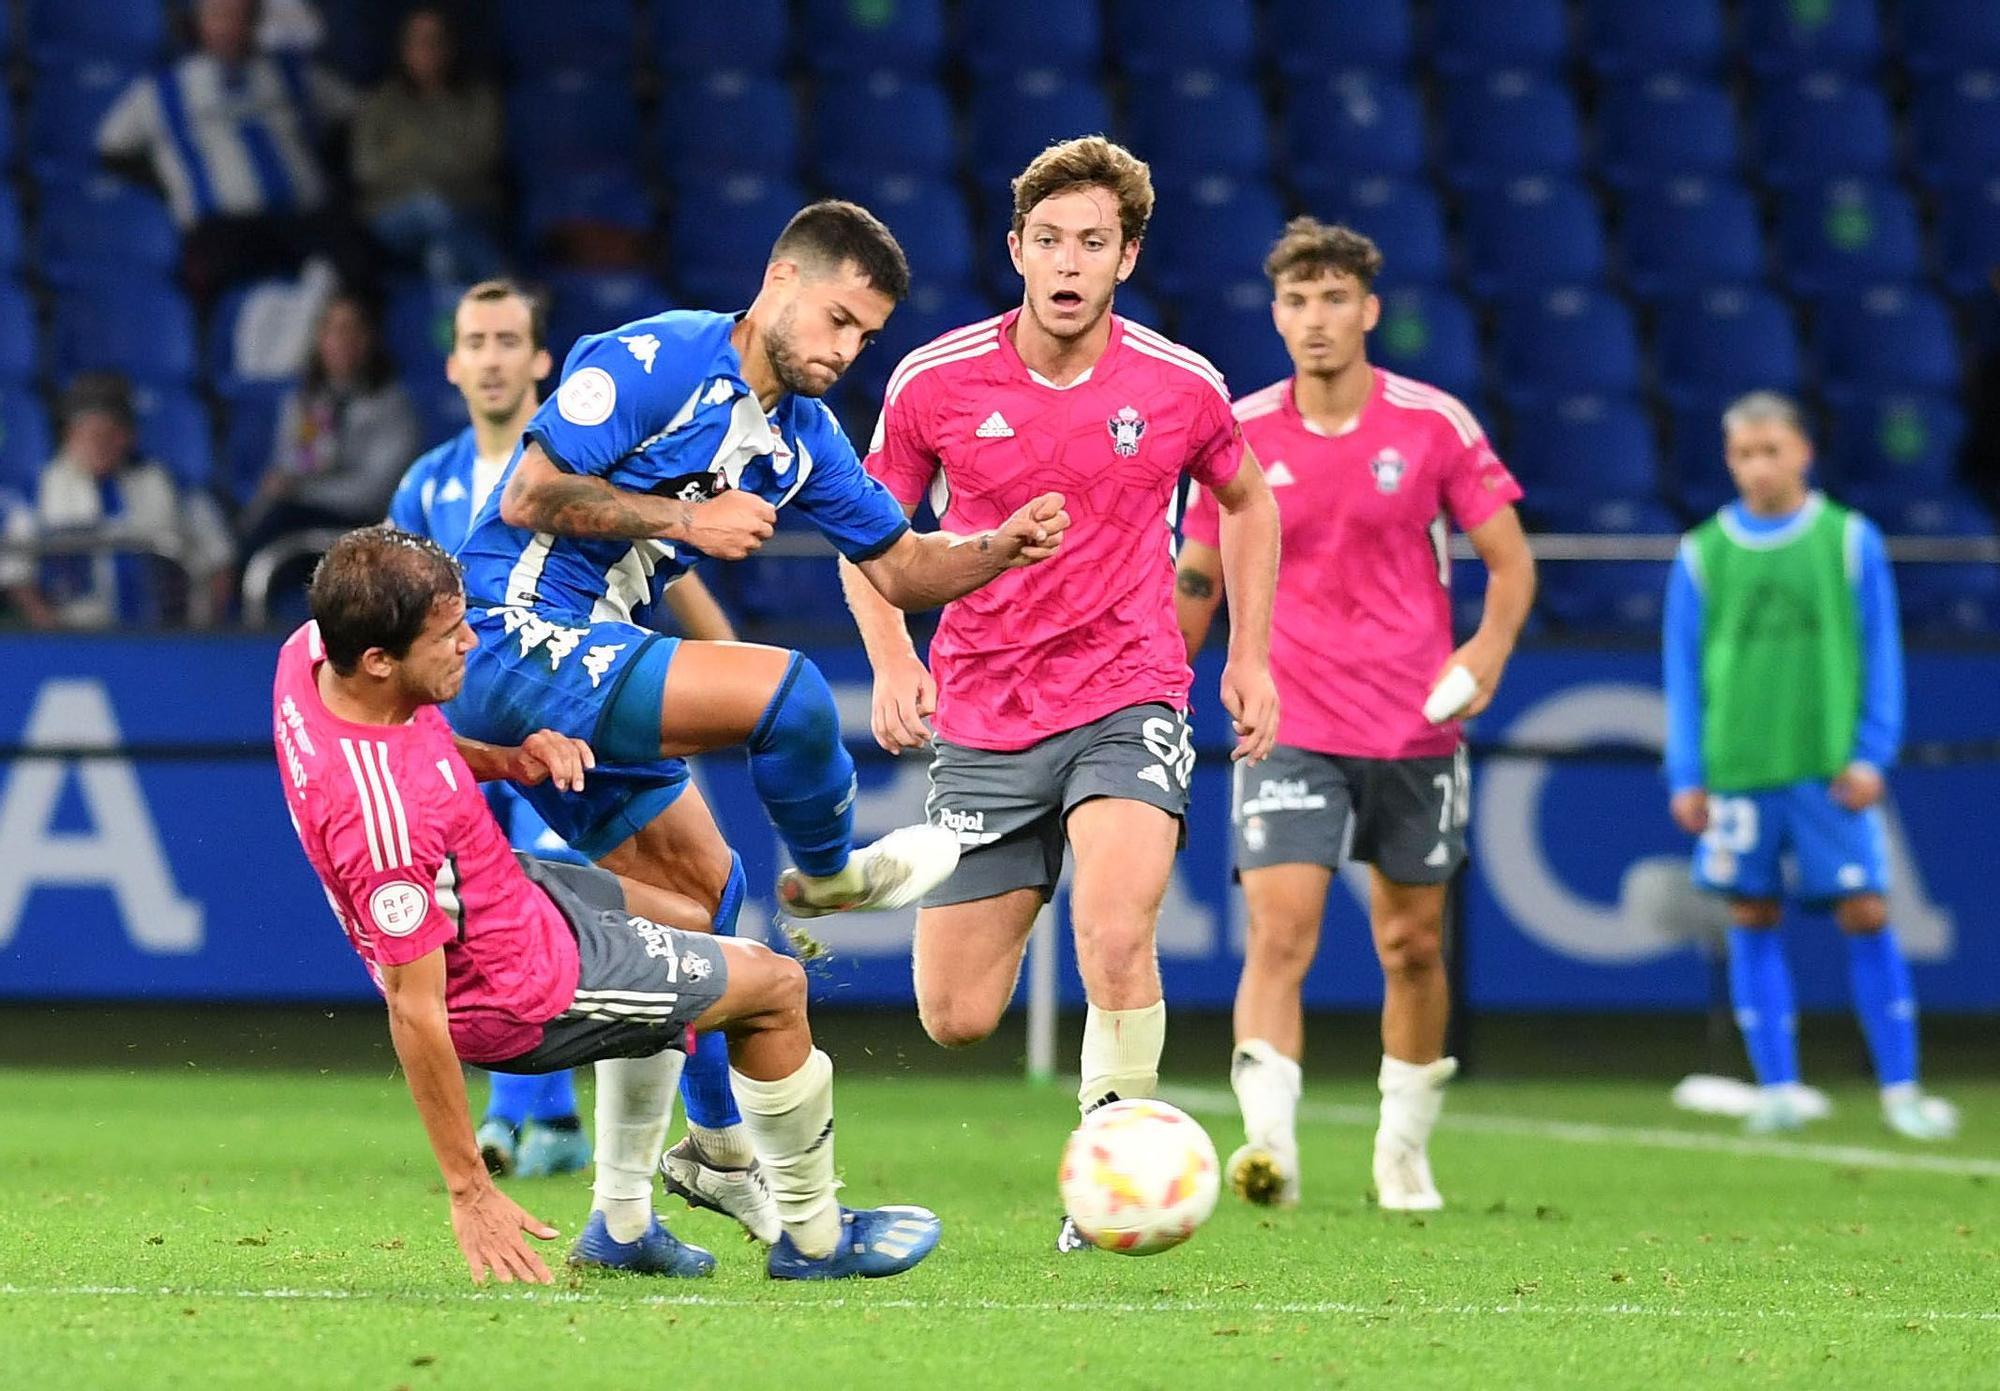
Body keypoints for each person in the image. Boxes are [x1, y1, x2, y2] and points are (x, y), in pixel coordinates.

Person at [448, 199, 1071, 1220]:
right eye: (836, 319)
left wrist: (996, 546)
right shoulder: (657, 356)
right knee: (787, 692)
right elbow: (528, 496)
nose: (845, 348)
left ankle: (672, 1179)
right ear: (780, 281)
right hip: (508, 629)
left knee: (700, 898)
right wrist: (683, 517)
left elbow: (905, 564)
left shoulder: (803, 441)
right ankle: (827, 880)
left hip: (585, 650)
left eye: (864, 335)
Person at [274, 525, 943, 1283]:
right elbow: (415, 1009)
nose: (471, 641)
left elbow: (403, 741)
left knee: (693, 914)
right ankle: (816, 1237)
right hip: (518, 988)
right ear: (378, 660)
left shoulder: (309, 657)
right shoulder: (382, 820)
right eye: (447, 634)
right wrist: (469, 1189)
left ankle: (623, 1222)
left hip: (503, 889)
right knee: (775, 987)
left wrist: (508, 760)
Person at [843, 137, 1282, 1253]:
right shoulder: (934, 381)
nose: (1068, 261)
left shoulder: (1179, 386)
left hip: (1127, 689)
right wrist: (896, 658)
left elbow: (1248, 501)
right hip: (985, 714)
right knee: (954, 1017)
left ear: (1125, 256)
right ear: (1015, 250)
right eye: (1049, 240)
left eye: (1092, 241)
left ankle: (1110, 1153)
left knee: (1114, 923)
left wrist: (1248, 651)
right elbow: (867, 531)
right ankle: (1008, 876)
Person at [1176, 218, 1536, 1213]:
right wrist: (1166, 677)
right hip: (1288, 717)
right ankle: (1268, 1149)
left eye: (1333, 298)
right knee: (1278, 930)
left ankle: (1401, 1151)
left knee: (1410, 945)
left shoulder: (1432, 424)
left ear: (1367, 310)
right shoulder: (1237, 430)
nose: (1314, 318)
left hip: (1414, 721)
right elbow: (1198, 572)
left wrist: (1486, 649)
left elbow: (1510, 561)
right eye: (1295, 300)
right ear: (1276, 313)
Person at [388, 279, 743, 1191]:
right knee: (483, 929)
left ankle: (638, 1123)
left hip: (570, 729)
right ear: (454, 362)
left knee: (593, 910)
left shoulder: (594, 461)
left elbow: (671, 574)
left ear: (542, 360)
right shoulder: (427, 482)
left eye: (512, 338)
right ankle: (544, 1121)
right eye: (478, 340)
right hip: (466, 738)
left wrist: (730, 673)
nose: (496, 356)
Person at [1664, 391, 1957, 1142]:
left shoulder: (1849, 540)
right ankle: (1780, 1087)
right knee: (1750, 914)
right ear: (1729, 460)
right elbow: (1683, 671)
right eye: (1743, 453)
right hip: (1739, 766)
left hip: (1827, 768)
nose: (1758, 466)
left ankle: (1901, 1090)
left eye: (1772, 450)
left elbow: (1880, 652)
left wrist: (1872, 751)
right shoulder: (1703, 552)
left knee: (1867, 910)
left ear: (1803, 452)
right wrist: (1688, 772)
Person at [95, 0, 370, 309]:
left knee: (357, 256)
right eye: (218, 17)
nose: (229, 27)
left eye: (239, 17)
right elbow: (111, 146)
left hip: (303, 217)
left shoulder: (291, 74)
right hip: (223, 225)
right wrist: (166, 184)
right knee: (210, 275)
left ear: (254, 23)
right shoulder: (165, 88)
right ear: (198, 23)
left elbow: (358, 111)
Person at [29, 373, 234, 627]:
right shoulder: (39, 489)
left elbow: (219, 559)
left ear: (129, 436)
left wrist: (199, 630)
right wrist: (49, 630)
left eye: (111, 433)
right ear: (69, 435)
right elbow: (13, 569)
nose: (99, 444)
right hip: (75, 633)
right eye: (89, 433)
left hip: (163, 633)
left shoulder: (169, 484)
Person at [239, 293, 420, 565]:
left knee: (279, 527)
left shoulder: (394, 407)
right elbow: (292, 464)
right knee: (255, 532)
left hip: (361, 525)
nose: (341, 341)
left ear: (369, 339)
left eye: (351, 330)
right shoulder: (306, 400)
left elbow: (374, 494)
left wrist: (300, 490)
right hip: (299, 515)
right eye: (332, 330)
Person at [352, 7, 505, 286]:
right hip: (393, 217)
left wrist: (405, 155)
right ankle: (505, 284)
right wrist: (439, 161)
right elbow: (368, 170)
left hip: (469, 210)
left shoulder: (478, 100)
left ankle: (453, 328)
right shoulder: (381, 103)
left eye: (435, 41)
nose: (427, 51)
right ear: (404, 49)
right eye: (418, 42)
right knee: (431, 206)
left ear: (451, 47)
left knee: (442, 256)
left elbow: (480, 160)